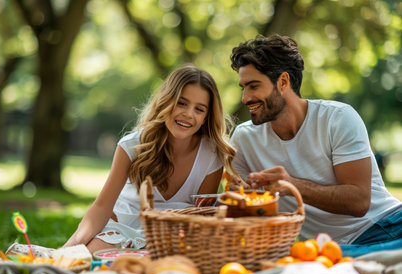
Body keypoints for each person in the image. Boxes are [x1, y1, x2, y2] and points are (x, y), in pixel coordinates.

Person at [228, 34, 401, 256]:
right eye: (243, 87)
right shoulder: (244, 139)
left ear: (283, 82)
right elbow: (245, 214)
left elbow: (359, 201)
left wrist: (291, 185)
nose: (245, 98)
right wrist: (240, 200)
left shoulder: (338, 118)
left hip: (386, 226)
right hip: (322, 248)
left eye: (253, 86)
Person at [64, 64, 237, 253]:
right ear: (166, 102)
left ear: (206, 117)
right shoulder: (131, 146)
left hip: (174, 236)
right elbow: (102, 207)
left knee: (151, 271)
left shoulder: (211, 155)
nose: (188, 114)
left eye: (199, 109)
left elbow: (202, 215)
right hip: (123, 230)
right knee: (88, 263)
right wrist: (68, 249)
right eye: (181, 103)